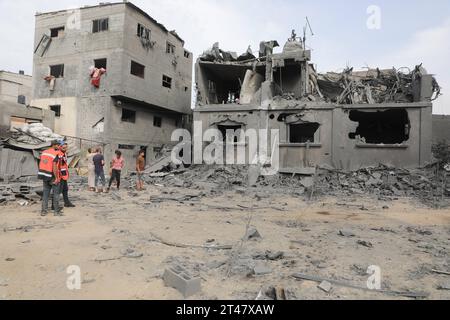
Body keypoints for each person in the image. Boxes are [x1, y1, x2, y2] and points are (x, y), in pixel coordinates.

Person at [38, 140, 63, 217]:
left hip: (44, 174)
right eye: (58, 145)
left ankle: (43, 211)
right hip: (52, 175)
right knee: (56, 194)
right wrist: (56, 178)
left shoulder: (44, 152)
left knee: (45, 194)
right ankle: (56, 212)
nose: (59, 147)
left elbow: (42, 162)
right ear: (54, 145)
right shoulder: (55, 153)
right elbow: (54, 167)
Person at [58, 141, 75, 208]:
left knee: (65, 189)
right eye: (63, 147)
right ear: (60, 147)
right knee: (58, 190)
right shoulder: (59, 154)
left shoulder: (64, 154)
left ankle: (67, 203)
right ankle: (54, 205)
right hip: (60, 175)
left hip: (64, 175)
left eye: (66, 147)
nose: (65, 148)